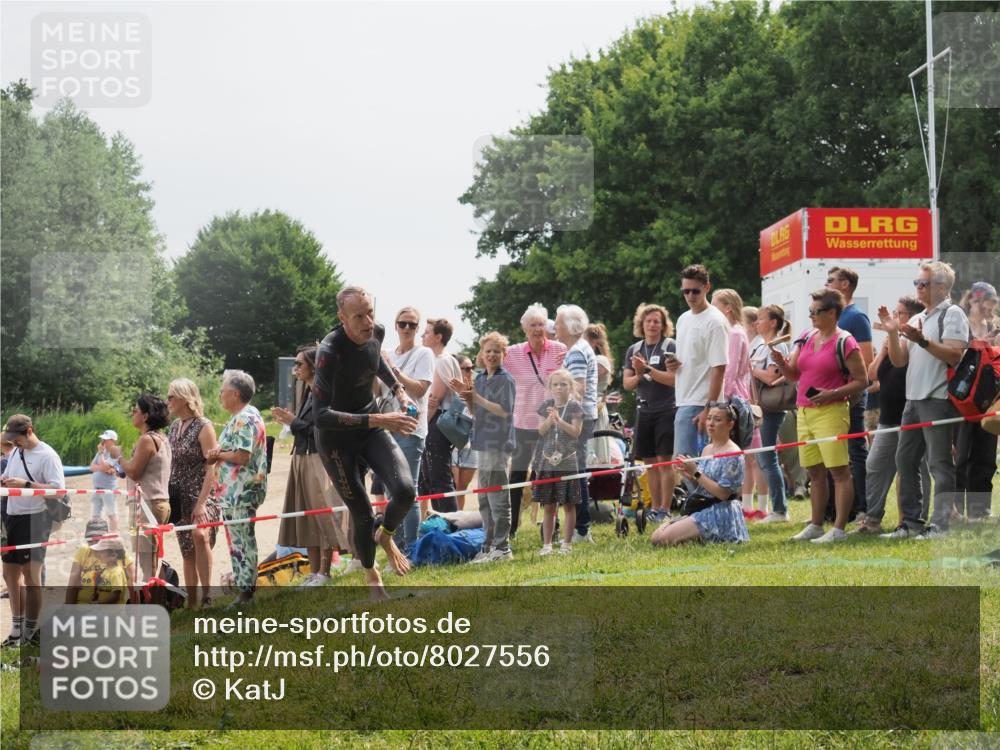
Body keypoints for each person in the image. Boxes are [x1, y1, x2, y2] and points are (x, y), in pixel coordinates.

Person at [312, 287, 418, 599]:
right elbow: (320, 416)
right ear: (342, 318)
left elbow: (378, 360)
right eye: (359, 316)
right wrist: (381, 419)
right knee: (362, 513)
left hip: (370, 427)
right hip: (335, 439)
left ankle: (385, 534)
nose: (368, 322)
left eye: (370, 312)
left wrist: (399, 390)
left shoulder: (377, 332)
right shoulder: (329, 351)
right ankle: (373, 579)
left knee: (405, 491)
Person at [879, 262, 970, 539]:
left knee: (939, 464)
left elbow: (955, 355)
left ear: (942, 286)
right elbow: (899, 361)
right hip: (913, 400)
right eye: (916, 283)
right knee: (905, 460)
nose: (918, 287)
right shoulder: (918, 318)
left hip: (938, 399)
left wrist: (922, 341)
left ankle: (941, 525)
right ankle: (911, 523)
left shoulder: (953, 314)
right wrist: (892, 332)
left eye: (923, 283)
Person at [772, 289, 868, 543]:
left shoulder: (845, 341)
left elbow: (862, 380)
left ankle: (838, 529)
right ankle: (816, 524)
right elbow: (794, 374)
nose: (811, 316)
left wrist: (831, 393)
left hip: (832, 412)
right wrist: (781, 363)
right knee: (814, 471)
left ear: (832, 313)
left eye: (816, 312)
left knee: (838, 471)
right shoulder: (806, 336)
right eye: (810, 312)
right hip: (804, 411)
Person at [274, 346, 353, 588]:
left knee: (323, 514)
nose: (295, 368)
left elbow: (322, 430)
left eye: (300, 364)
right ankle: (314, 571)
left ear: (314, 366)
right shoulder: (306, 391)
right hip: (302, 456)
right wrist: (292, 421)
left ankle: (325, 571)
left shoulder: (325, 393)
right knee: (306, 515)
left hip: (318, 458)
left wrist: (293, 422)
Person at [855, 296, 930, 534]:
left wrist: (896, 341)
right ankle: (872, 521)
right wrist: (885, 348)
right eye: (894, 313)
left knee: (912, 469)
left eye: (899, 314)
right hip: (888, 418)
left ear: (912, 318)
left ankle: (911, 520)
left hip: (912, 416)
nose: (894, 317)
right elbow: (872, 374)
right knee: (875, 465)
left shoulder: (917, 344)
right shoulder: (891, 342)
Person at [0, 415, 65, 647]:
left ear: (29, 431)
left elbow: (58, 490)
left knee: (31, 576)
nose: (14, 443)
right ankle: (16, 631)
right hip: (11, 515)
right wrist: (5, 481)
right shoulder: (16, 452)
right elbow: (10, 477)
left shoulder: (48, 456)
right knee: (9, 575)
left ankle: (30, 632)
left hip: (35, 518)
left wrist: (26, 485)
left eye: (16, 439)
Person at [504, 304, 568, 538]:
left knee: (549, 474)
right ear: (525, 329)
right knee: (517, 475)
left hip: (551, 424)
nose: (538, 329)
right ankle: (511, 527)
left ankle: (552, 527)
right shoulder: (512, 352)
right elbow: (489, 363)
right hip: (523, 423)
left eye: (541, 324)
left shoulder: (559, 349)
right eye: (533, 325)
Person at [206, 370, 268, 605]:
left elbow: (242, 456)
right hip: (235, 492)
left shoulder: (244, 418)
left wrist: (218, 455)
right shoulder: (247, 415)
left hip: (241, 492)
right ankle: (244, 590)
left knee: (242, 542)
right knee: (238, 542)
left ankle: (246, 594)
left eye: (222, 391)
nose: (220, 395)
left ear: (234, 394)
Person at [454, 332, 516, 562]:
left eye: (496, 351)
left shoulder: (505, 379)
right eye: (488, 351)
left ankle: (502, 547)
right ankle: (488, 546)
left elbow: (504, 411)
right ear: (481, 353)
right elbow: (476, 412)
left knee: (498, 497)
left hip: (498, 443)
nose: (491, 355)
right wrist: (467, 397)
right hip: (481, 441)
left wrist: (477, 398)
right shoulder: (479, 378)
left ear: (503, 354)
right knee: (484, 498)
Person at [666, 265, 729, 489]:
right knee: (686, 466)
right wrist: (673, 364)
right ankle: (701, 507)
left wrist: (708, 410)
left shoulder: (715, 321)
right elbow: (691, 359)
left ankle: (704, 508)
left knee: (690, 466)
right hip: (684, 399)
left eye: (695, 291)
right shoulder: (683, 319)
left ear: (707, 288)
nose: (690, 296)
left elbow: (719, 368)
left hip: (701, 404)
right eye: (686, 291)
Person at [650, 404, 749, 546]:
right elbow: (703, 483)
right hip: (702, 507)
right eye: (709, 418)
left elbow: (723, 494)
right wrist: (687, 472)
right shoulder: (707, 449)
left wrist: (695, 472)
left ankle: (703, 536)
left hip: (721, 512)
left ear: (730, 425)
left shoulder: (733, 453)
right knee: (657, 536)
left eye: (717, 420)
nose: (711, 423)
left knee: (662, 538)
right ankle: (695, 537)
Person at [381, 306, 436, 547]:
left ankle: (412, 548)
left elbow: (420, 390)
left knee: (407, 490)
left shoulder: (424, 353)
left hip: (410, 429)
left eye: (412, 325)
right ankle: (396, 545)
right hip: (386, 426)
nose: (406, 328)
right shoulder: (386, 353)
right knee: (390, 490)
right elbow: (377, 391)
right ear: (395, 325)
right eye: (402, 323)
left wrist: (392, 370)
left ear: (417, 328)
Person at [712, 288, 768, 516]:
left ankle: (749, 506)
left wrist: (721, 401)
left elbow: (731, 371)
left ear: (727, 308)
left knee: (743, 455)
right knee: (747, 457)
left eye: (715, 305)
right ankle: (749, 505)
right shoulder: (737, 332)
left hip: (733, 399)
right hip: (739, 395)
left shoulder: (734, 333)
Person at [166, 378, 220, 608]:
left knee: (200, 536)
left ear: (184, 398)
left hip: (202, 494)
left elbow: (212, 467)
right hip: (179, 498)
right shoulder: (173, 427)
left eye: (171, 396)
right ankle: (192, 603)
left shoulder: (204, 426)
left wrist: (202, 504)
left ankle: (207, 596)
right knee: (186, 550)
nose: (167, 400)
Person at [825, 267, 873, 521]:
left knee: (855, 450)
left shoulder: (856, 317)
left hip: (851, 396)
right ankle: (834, 508)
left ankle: (864, 507)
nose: (826, 284)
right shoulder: (833, 317)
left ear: (844, 284)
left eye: (830, 280)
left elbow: (866, 360)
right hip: (831, 397)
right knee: (834, 452)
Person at [622, 303, 678, 522]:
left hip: (666, 409)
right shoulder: (634, 349)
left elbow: (674, 380)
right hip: (643, 410)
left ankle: (665, 508)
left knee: (665, 461)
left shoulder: (670, 346)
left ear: (663, 325)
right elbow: (627, 384)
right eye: (648, 321)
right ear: (641, 324)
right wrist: (639, 374)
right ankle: (654, 508)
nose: (652, 325)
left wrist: (647, 370)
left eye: (657, 321)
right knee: (650, 463)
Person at [955, 281, 999, 520]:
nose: (990, 308)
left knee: (985, 457)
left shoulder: (994, 326)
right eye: (988, 302)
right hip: (963, 399)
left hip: (988, 399)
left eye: (993, 303)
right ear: (974, 300)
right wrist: (982, 345)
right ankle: (957, 510)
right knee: (961, 457)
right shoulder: (961, 324)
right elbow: (957, 358)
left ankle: (979, 510)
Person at [555, 304, 598, 544]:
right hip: (579, 415)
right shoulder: (576, 350)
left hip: (577, 418)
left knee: (576, 472)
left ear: (571, 327)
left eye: (558, 322)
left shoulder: (577, 352)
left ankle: (581, 529)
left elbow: (578, 388)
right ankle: (580, 527)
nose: (555, 326)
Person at [118, 395, 172, 582]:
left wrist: (118, 457)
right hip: (158, 502)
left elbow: (134, 472)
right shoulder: (161, 438)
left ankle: (152, 596)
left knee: (147, 563)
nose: (132, 413)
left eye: (135, 410)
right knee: (153, 559)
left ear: (145, 416)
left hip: (147, 504)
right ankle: (158, 594)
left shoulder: (146, 440)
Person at [533, 369, 583, 555]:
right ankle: (547, 545)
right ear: (550, 387)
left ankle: (567, 544)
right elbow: (541, 430)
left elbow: (576, 432)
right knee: (548, 505)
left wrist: (559, 420)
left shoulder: (575, 407)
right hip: (548, 461)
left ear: (570, 387)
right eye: (555, 384)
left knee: (569, 504)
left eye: (563, 384)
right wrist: (550, 419)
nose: (559, 388)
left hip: (568, 462)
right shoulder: (546, 406)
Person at [750, 304, 792, 523]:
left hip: (771, 408)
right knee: (764, 458)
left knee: (768, 458)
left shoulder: (778, 345)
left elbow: (771, 377)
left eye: (761, 318)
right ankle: (778, 508)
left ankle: (780, 510)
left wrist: (750, 368)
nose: (756, 322)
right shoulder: (761, 346)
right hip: (761, 407)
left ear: (773, 323)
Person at [420, 318, 462, 513]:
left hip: (437, 421)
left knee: (439, 478)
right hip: (435, 421)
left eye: (427, 332)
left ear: (438, 337)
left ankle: (450, 523)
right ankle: (440, 520)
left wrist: (420, 426)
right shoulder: (436, 359)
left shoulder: (443, 360)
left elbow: (435, 399)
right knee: (430, 477)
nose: (422, 335)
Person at [66, 518, 135, 604]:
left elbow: (133, 586)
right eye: (90, 539)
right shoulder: (83, 551)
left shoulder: (118, 553)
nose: (94, 543)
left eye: (98, 539)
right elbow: (73, 583)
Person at [584, 323, 616, 466]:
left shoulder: (600, 360)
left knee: (596, 449)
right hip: (584, 409)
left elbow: (584, 378)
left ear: (594, 343)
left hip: (595, 407)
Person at [451, 355, 478, 510]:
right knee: (453, 485)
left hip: (472, 442)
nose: (471, 371)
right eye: (467, 368)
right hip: (452, 442)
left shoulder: (478, 388)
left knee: (462, 488)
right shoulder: (448, 389)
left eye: (472, 368)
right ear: (457, 369)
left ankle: (459, 518)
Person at [88, 430, 121, 531]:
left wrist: (103, 466)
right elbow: (91, 467)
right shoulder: (101, 452)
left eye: (105, 439)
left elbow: (104, 466)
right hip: (97, 487)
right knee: (95, 515)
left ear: (113, 440)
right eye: (103, 439)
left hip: (108, 488)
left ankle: (113, 535)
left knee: (111, 514)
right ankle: (98, 535)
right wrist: (103, 468)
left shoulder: (115, 452)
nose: (103, 441)